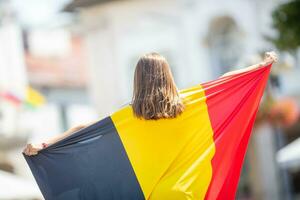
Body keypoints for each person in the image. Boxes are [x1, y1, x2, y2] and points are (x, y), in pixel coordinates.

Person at [23, 51, 278, 156]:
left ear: (137, 79)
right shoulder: (188, 103)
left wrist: (44, 144)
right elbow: (223, 81)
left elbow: (82, 128)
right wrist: (261, 66)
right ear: (168, 76)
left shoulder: (129, 115)